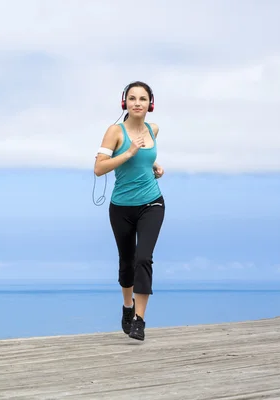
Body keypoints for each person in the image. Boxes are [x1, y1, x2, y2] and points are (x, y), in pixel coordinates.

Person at [93, 81, 165, 341]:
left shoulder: (153, 129)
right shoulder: (115, 131)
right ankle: (127, 307)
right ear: (125, 103)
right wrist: (129, 152)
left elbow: (146, 159)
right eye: (132, 98)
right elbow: (99, 168)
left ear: (150, 104)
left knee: (143, 259)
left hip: (152, 203)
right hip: (121, 207)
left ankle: (140, 320)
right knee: (127, 262)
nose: (137, 103)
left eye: (143, 99)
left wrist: (155, 165)